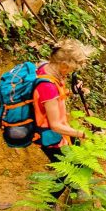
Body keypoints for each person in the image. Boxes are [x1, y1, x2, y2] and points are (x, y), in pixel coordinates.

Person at [32, 38, 95, 197]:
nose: (70, 73)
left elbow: (55, 96)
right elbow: (55, 125)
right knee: (66, 170)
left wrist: (73, 90)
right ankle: (48, 203)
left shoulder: (46, 67)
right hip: (51, 136)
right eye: (71, 70)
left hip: (62, 129)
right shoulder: (47, 87)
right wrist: (82, 134)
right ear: (63, 65)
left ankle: (76, 188)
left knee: (78, 153)